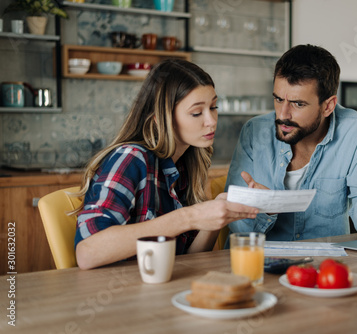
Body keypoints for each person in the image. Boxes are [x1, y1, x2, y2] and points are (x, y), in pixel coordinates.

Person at [74, 59, 258, 270]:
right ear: (162, 118)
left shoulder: (184, 165)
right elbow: (87, 253)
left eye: (213, 107)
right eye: (197, 113)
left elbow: (187, 258)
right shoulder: (131, 158)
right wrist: (190, 217)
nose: (212, 120)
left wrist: (216, 215)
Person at [225, 44, 357, 241]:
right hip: (259, 263)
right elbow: (237, 229)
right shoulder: (254, 132)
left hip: (326, 266)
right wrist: (266, 209)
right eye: (279, 99)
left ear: (328, 106)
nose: (282, 115)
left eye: (298, 104)